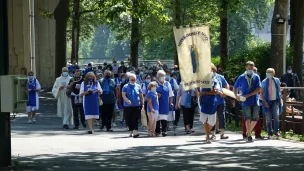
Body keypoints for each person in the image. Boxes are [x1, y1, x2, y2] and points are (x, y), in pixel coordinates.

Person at [233, 61, 261, 142]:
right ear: (246, 68)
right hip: (245, 101)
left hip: (255, 100)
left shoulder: (256, 77)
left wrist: (249, 95)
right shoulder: (241, 77)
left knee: (255, 119)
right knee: (247, 118)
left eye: (251, 68)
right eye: (249, 68)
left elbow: (259, 89)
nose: (250, 70)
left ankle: (248, 132)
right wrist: (236, 96)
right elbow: (235, 87)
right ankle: (249, 136)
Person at [199, 63, 222, 144]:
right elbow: (199, 91)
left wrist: (205, 93)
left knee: (212, 122)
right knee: (205, 120)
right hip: (204, 102)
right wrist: (201, 93)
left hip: (212, 102)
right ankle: (207, 136)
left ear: (212, 70)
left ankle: (208, 133)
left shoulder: (215, 80)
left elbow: (215, 91)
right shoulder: (202, 79)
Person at [260, 68, 282, 138]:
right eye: (267, 72)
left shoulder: (277, 80)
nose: (268, 74)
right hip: (267, 101)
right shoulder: (263, 82)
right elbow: (261, 93)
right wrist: (264, 102)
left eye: (270, 72)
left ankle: (277, 131)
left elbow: (279, 90)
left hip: (275, 100)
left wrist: (280, 98)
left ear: (273, 74)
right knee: (268, 117)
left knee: (276, 115)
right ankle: (269, 132)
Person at [210, 65, 229, 140]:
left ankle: (222, 134)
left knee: (221, 117)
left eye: (212, 70)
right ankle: (213, 134)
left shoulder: (220, 77)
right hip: (211, 101)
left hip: (220, 101)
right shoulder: (207, 78)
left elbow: (226, 84)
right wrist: (218, 92)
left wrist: (226, 92)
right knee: (212, 118)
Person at [122, 73, 144, 138]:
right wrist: (127, 100)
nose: (133, 80)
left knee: (135, 119)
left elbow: (141, 96)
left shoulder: (138, 86)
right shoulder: (125, 86)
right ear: (129, 79)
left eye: (134, 79)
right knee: (128, 119)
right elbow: (123, 95)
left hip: (136, 105)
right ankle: (131, 131)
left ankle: (135, 131)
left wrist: (142, 104)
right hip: (128, 106)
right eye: (131, 79)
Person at [155, 70, 174, 137]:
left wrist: (171, 102)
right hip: (156, 104)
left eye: (164, 76)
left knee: (164, 118)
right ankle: (157, 130)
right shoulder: (154, 84)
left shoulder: (167, 84)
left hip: (165, 103)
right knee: (157, 118)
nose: (163, 77)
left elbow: (171, 94)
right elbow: (149, 94)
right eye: (161, 76)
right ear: (157, 77)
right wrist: (156, 95)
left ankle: (164, 130)